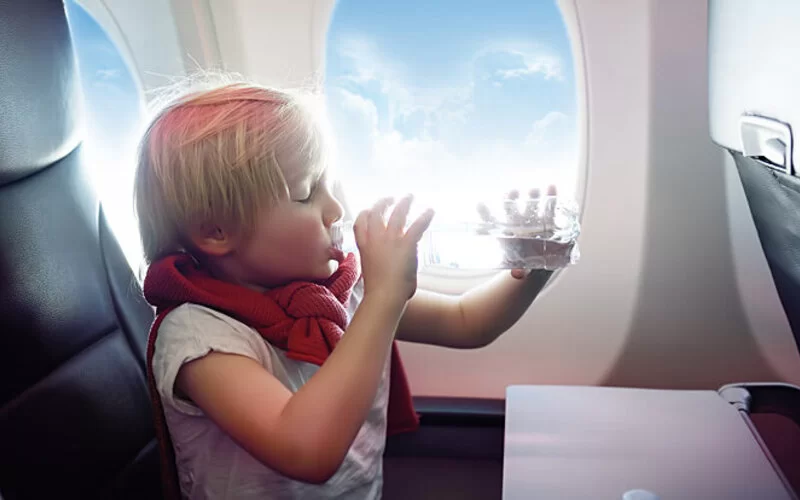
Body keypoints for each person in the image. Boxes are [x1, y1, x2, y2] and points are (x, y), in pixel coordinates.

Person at [134, 79, 553, 499]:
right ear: (216, 231)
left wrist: (534, 264)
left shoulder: (337, 292)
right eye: (306, 194)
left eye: (331, 186)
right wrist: (384, 298)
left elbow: (468, 323)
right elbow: (305, 450)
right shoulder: (199, 337)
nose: (335, 210)